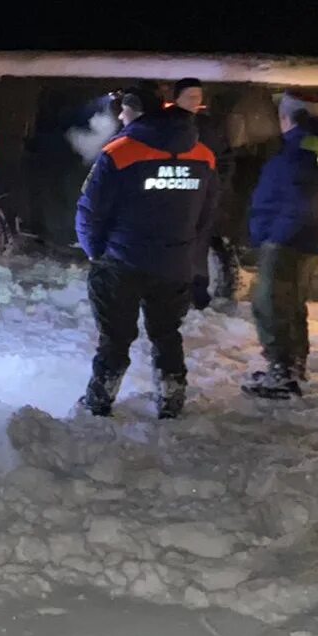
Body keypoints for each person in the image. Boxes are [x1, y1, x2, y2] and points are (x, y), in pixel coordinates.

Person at [74, 88, 217, 418]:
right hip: (174, 264)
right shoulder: (203, 155)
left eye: (124, 110)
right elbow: (207, 214)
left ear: (137, 112)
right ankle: (171, 396)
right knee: (167, 333)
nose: (121, 117)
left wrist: (96, 252)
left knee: (115, 337)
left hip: (122, 262)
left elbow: (90, 210)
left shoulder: (120, 152)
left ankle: (100, 399)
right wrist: (188, 251)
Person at [242, 91, 318, 398]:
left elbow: (303, 200)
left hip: (288, 241)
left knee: (270, 304)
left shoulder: (301, 149)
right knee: (290, 304)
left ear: (290, 116)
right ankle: (293, 367)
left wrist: (275, 235)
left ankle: (281, 373)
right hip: (304, 238)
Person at [172, 77, 231, 309]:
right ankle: (173, 293)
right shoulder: (165, 125)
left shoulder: (210, 127)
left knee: (199, 246)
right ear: (177, 98)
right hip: (174, 196)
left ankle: (198, 294)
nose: (196, 101)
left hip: (203, 197)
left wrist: (217, 184)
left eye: (199, 96)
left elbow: (225, 158)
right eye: (190, 96)